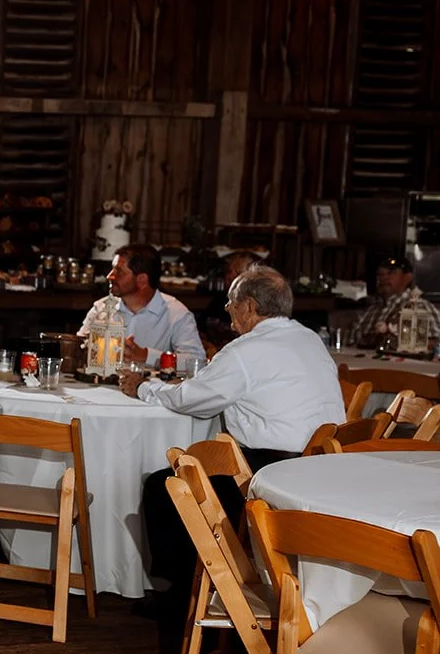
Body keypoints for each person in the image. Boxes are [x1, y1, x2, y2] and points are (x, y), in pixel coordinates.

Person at [123, 266, 345, 599]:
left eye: (231, 303)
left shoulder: (246, 350)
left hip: (271, 477)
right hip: (322, 469)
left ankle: (185, 595)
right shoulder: (308, 337)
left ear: (250, 307)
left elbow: (194, 400)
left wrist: (144, 387)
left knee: (166, 486)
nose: (227, 310)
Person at [77, 243, 205, 366]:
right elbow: (79, 347)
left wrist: (146, 356)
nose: (109, 276)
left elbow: (195, 360)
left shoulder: (177, 314)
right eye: (112, 269)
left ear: (142, 280)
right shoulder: (101, 308)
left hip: (149, 388)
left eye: (119, 271)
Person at [352, 254, 440, 349]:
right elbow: (349, 346)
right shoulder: (368, 312)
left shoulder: (420, 306)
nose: (383, 278)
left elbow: (437, 343)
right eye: (379, 274)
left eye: (391, 273)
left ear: (407, 277)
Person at [197, 250, 259, 354]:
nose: (230, 276)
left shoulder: (256, 308)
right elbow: (200, 330)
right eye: (229, 271)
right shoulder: (219, 300)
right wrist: (207, 345)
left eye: (238, 273)